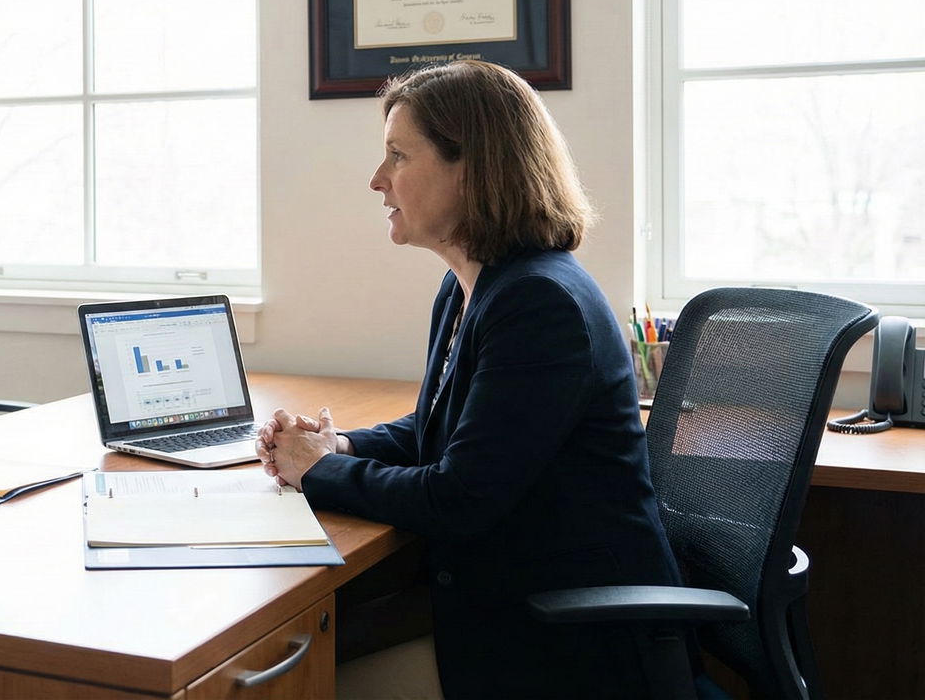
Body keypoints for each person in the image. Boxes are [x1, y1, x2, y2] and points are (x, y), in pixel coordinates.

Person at [257, 60, 680, 698]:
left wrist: (317, 469)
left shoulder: (540, 304)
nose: (377, 180)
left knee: (291, 679)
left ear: (473, 168)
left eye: (398, 156)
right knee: (299, 647)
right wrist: (340, 446)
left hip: (567, 644)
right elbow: (444, 430)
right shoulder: (473, 287)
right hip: (503, 601)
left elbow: (458, 499)